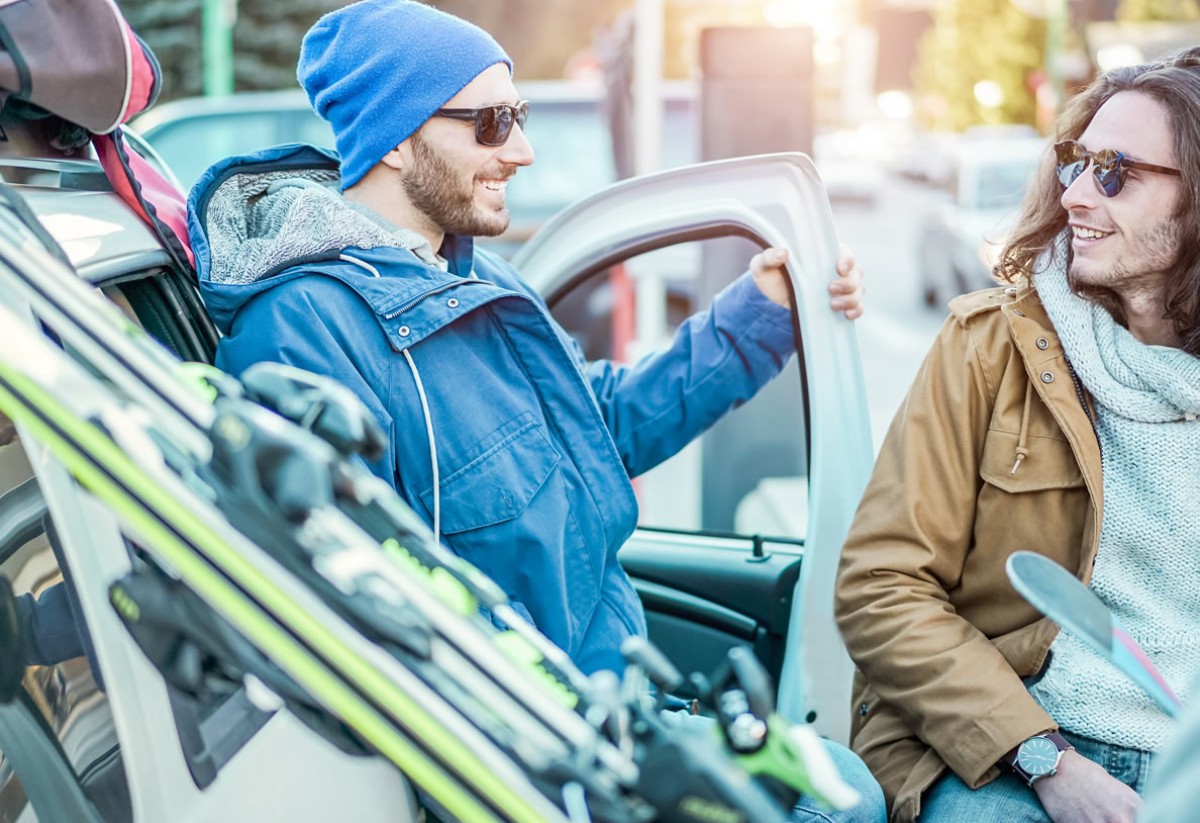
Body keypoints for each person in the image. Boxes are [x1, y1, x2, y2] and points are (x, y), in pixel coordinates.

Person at [188, 2, 884, 820]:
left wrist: (762, 310)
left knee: (844, 787)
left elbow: (605, 426)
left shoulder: (479, 280)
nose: (520, 148)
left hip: (615, 714)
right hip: (530, 761)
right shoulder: (302, 327)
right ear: (396, 138)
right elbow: (373, 602)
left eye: (514, 116)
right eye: (489, 123)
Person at [835, 47, 1200, 823]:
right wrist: (1044, 760)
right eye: (1076, 164)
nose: (1074, 195)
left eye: (1114, 172)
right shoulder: (989, 346)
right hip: (1007, 751)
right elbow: (881, 586)